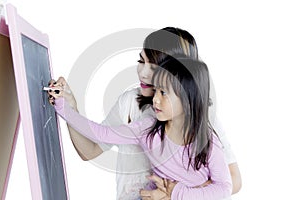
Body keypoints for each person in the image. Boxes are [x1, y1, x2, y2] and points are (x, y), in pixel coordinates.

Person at [48, 27, 241, 199]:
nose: (143, 72)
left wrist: (173, 194)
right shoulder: (134, 108)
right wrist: (68, 107)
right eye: (141, 61)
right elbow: (90, 148)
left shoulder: (204, 124)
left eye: (155, 66)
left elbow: (231, 183)